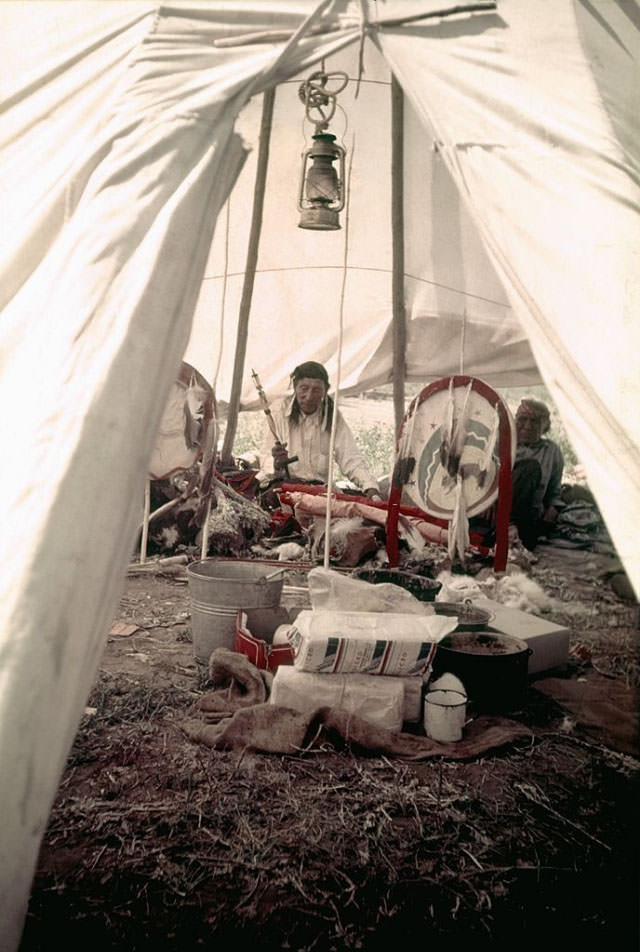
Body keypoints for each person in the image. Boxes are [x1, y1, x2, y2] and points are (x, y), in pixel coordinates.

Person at [255, 361, 381, 499]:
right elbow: (266, 458)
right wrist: (276, 464)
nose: (309, 396)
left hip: (320, 493)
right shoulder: (278, 412)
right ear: (295, 387)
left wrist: (370, 488)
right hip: (286, 489)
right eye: (304, 388)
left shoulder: (332, 417)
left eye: (316, 390)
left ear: (325, 390)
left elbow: (351, 458)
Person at [511, 397, 564, 549]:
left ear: (545, 426)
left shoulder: (552, 451)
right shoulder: (501, 443)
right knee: (530, 468)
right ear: (514, 421)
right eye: (522, 419)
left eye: (534, 421)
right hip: (499, 512)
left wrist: (553, 508)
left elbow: (555, 489)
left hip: (530, 515)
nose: (527, 426)